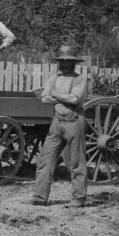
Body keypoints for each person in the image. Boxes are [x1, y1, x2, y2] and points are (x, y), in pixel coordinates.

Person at [32, 46, 90, 208]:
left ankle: (78, 199)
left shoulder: (80, 79)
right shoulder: (54, 78)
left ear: (74, 63)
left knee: (77, 162)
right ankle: (39, 197)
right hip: (56, 123)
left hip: (74, 122)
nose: (65, 64)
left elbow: (74, 100)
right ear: (58, 63)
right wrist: (61, 97)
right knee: (45, 160)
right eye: (62, 62)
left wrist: (55, 95)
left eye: (68, 62)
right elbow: (44, 98)